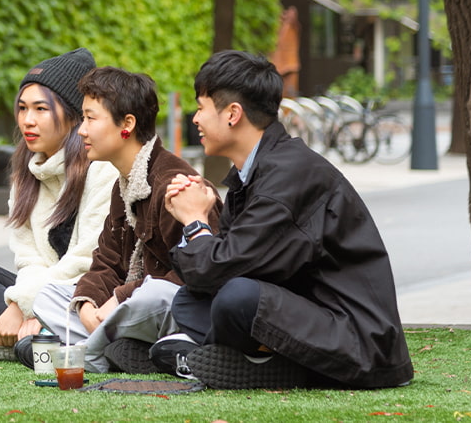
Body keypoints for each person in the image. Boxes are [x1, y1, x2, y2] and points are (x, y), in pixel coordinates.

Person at [158, 50, 413, 389]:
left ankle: (222, 358)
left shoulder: (290, 175)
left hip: (361, 345)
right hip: (310, 316)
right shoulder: (255, 173)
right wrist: (197, 222)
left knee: (237, 297)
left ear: (232, 114)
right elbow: (216, 274)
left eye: (201, 107)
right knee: (190, 301)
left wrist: (195, 221)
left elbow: (225, 269)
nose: (195, 119)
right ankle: (252, 362)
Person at [31, 67, 220, 373]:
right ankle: (123, 348)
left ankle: (92, 352)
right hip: (131, 314)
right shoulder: (122, 184)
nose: (81, 130)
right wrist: (87, 303)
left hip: (175, 307)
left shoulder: (174, 184)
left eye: (91, 118)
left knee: (152, 296)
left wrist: (120, 298)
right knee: (48, 296)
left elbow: (192, 275)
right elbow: (105, 261)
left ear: (127, 124)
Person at [0, 48, 118, 362]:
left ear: (73, 115)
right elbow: (28, 260)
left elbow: (87, 260)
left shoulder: (103, 169)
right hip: (42, 292)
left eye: (41, 109)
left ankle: (25, 340)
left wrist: (22, 307)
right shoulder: (25, 174)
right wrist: (27, 307)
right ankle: (37, 338)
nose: (28, 120)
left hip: (87, 294)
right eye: (23, 108)